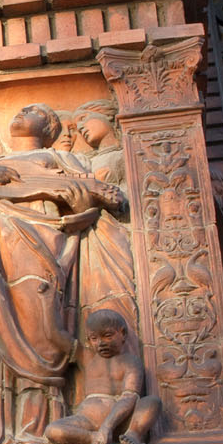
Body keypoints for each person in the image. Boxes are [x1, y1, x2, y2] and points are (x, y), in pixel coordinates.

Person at [0, 103, 127, 444]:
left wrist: (52, 191)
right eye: (21, 109)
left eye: (33, 110)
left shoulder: (60, 158)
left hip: (41, 238)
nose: (20, 112)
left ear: (49, 127)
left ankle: (34, 431)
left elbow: (82, 198)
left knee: (37, 329)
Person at [36, 309, 159, 444]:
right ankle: (95, 439)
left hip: (121, 422)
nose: (101, 343)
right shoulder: (87, 357)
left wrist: (107, 426)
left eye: (107, 336)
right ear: (88, 340)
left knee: (152, 402)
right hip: (88, 421)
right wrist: (46, 300)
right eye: (94, 338)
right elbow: (55, 335)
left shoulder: (131, 362)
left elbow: (129, 397)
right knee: (53, 431)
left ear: (123, 334)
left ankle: (133, 434)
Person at [69, 97, 137, 335]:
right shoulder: (87, 161)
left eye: (85, 120)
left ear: (108, 117)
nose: (82, 129)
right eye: (77, 128)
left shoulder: (126, 153)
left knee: (121, 286)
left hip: (118, 231)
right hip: (93, 236)